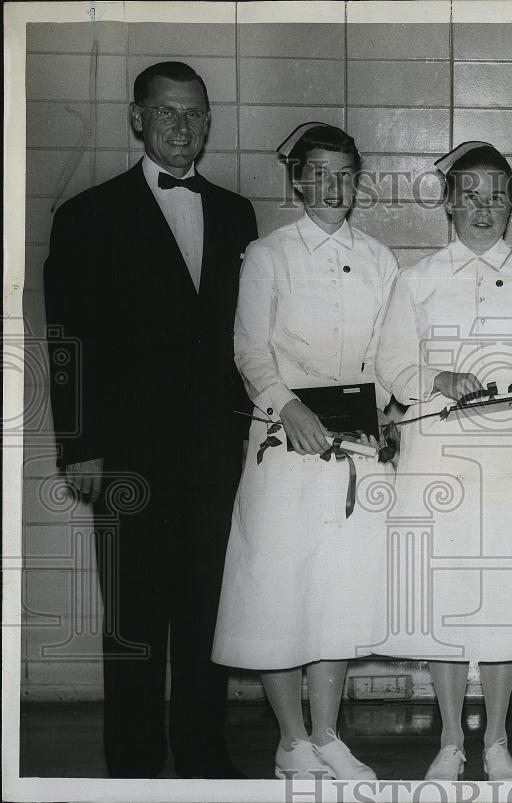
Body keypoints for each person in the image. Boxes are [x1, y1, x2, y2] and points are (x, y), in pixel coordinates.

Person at [43, 61, 257, 778]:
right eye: (166, 112)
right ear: (135, 118)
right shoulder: (86, 215)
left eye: (195, 113)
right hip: (126, 459)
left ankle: (203, 759)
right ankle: (131, 769)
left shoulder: (235, 213)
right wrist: (79, 445)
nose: (182, 126)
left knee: (205, 623)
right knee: (134, 628)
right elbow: (68, 343)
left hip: (215, 458)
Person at [376, 141, 512, 782]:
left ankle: (494, 741)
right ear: (449, 203)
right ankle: (448, 741)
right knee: (446, 598)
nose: (484, 208)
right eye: (471, 195)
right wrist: (442, 376)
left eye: (497, 195)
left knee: (503, 605)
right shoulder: (417, 279)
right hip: (440, 460)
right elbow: (391, 365)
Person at [211, 123, 397, 780]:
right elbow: (250, 349)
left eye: (345, 172)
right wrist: (288, 406)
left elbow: (388, 351)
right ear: (298, 178)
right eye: (319, 172)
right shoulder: (267, 253)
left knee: (335, 593)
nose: (333, 185)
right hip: (283, 444)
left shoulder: (379, 258)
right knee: (278, 592)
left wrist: (385, 408)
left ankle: (327, 734)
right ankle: (290, 740)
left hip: (354, 450)